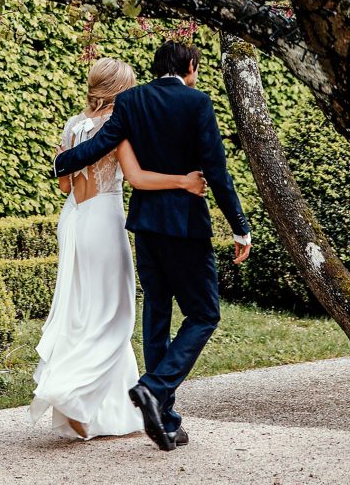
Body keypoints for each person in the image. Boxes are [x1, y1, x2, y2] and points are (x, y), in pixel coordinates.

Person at [54, 41, 252, 452]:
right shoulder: (197, 102)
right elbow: (215, 169)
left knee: (157, 314)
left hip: (144, 226)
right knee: (203, 313)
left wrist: (62, 162)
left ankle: (165, 420)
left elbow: (97, 145)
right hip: (184, 227)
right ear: (191, 67)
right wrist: (240, 228)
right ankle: (153, 387)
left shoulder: (133, 100)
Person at [30, 57, 207, 441]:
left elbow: (64, 185)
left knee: (83, 310)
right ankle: (72, 393)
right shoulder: (119, 126)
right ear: (119, 90)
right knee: (116, 315)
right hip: (104, 224)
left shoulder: (73, 126)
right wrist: (184, 181)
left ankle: (104, 409)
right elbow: (138, 178)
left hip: (73, 220)